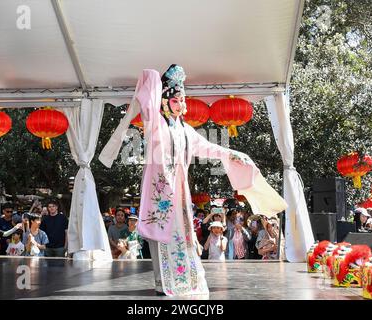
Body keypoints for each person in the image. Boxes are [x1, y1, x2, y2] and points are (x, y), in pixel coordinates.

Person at [99, 65, 287, 296]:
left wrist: (233, 154)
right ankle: (163, 283)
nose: (182, 105)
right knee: (160, 238)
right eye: (176, 100)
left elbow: (209, 148)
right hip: (160, 194)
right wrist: (156, 78)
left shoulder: (185, 130)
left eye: (183, 100)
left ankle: (177, 282)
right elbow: (148, 93)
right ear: (164, 101)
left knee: (179, 237)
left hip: (178, 195)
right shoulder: (155, 124)